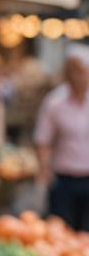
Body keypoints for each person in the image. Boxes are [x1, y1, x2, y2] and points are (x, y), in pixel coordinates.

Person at [34, 45, 89, 232]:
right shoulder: (55, 102)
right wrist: (44, 173)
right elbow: (43, 141)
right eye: (74, 71)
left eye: (82, 71)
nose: (79, 77)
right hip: (64, 179)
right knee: (60, 232)